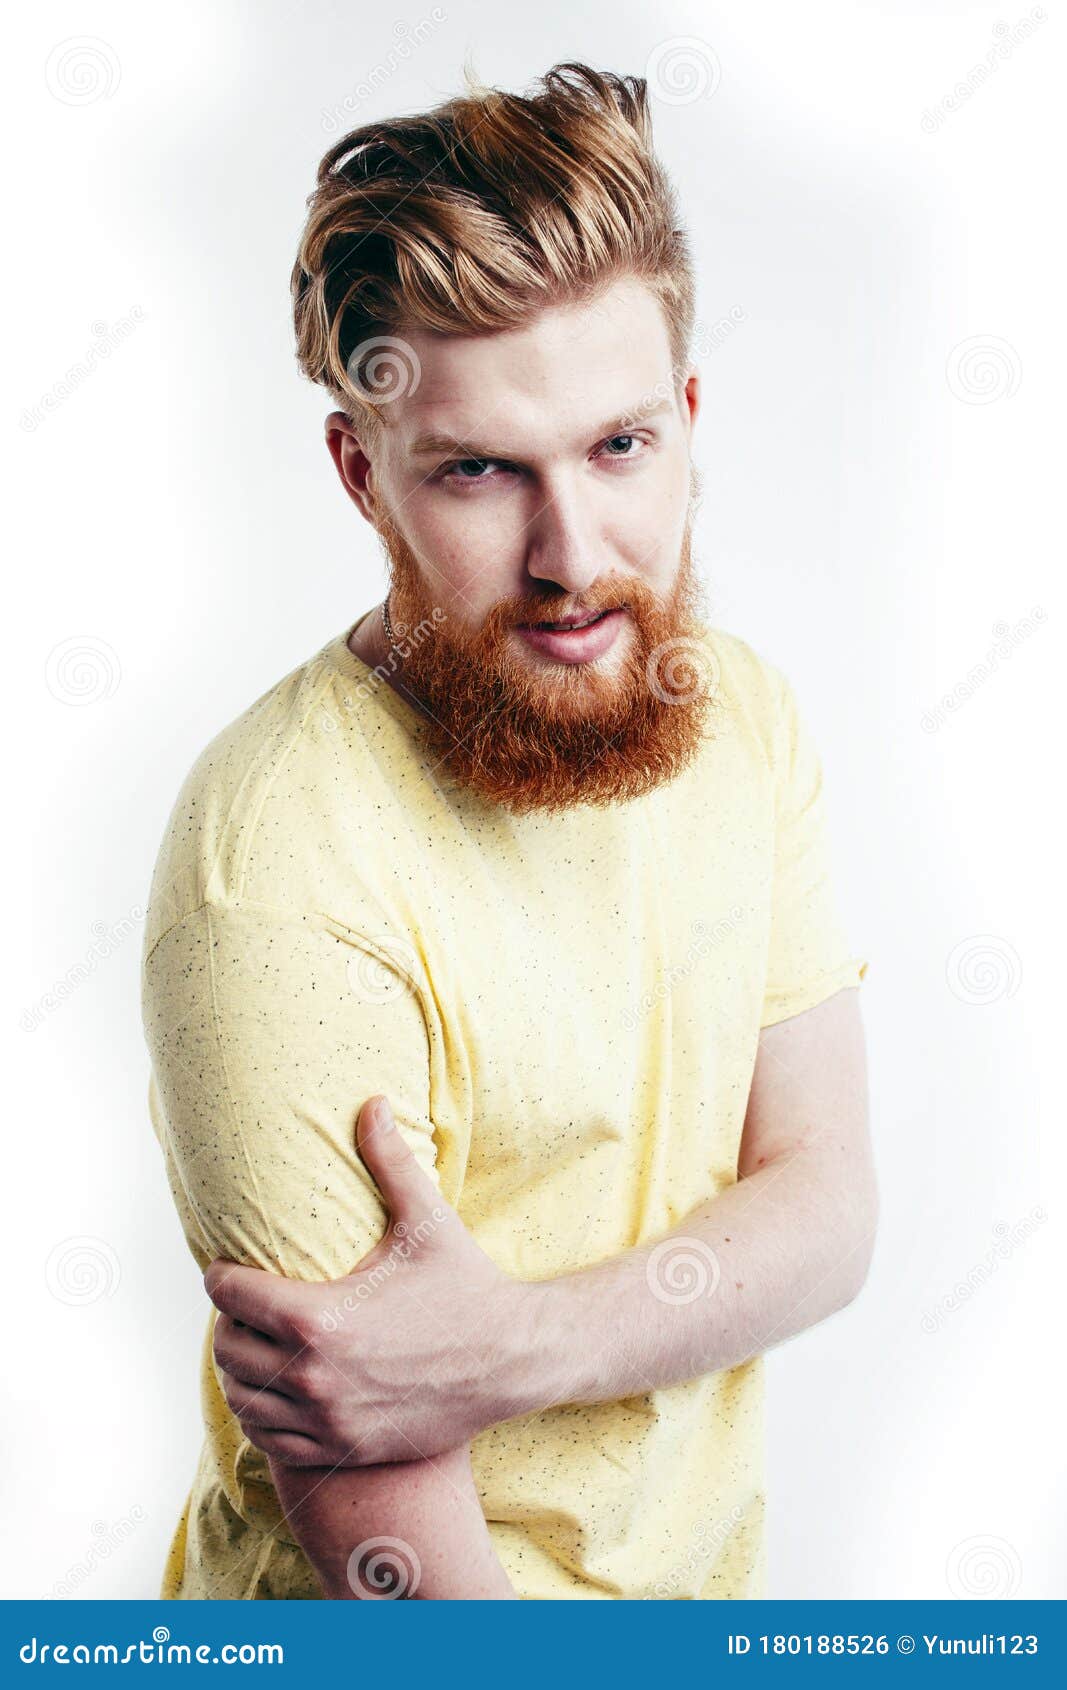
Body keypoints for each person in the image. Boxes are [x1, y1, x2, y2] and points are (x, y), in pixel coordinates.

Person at [141, 61, 875, 1602]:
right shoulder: (274, 868)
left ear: (685, 416)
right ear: (363, 472)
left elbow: (825, 1207)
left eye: (620, 449)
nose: (573, 558)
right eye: (478, 469)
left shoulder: (738, 716)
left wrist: (507, 1348)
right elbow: (395, 1558)